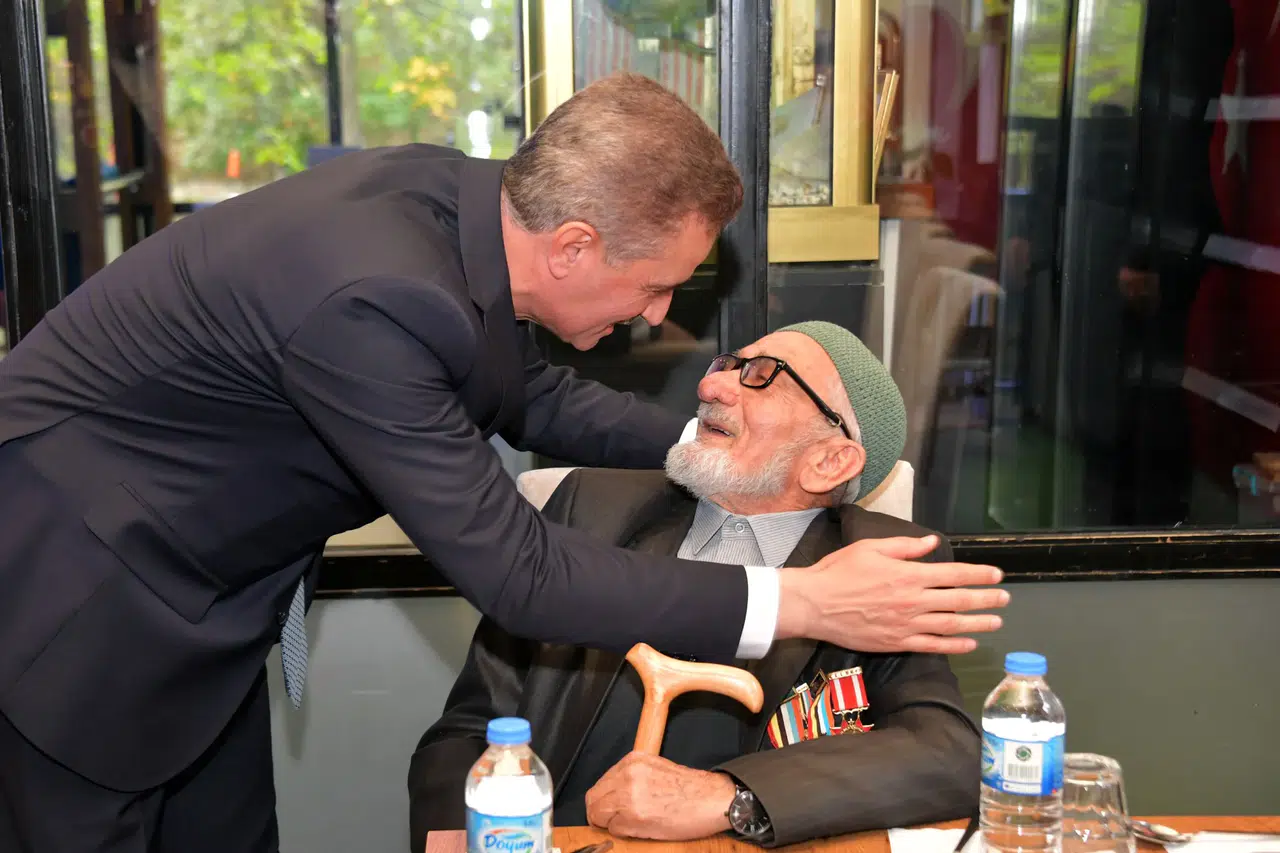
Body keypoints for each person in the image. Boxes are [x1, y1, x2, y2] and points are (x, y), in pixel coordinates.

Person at [0, 73, 1005, 852]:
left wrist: (703, 446)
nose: (659, 318)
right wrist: (798, 602)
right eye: (655, 285)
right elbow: (519, 578)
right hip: (84, 612)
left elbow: (528, 392)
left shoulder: (459, 214)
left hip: (202, 610)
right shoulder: (376, 296)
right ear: (573, 246)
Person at [408, 323, 980, 851]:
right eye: (728, 364)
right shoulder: (592, 509)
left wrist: (733, 798)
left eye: (762, 376)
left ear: (829, 462)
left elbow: (946, 753)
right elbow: (469, 731)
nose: (710, 386)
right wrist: (465, 839)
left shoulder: (886, 564)